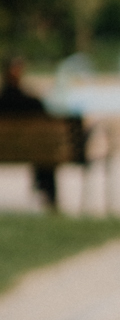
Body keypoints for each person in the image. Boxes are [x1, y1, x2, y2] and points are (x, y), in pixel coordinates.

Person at [0, 55, 59, 207]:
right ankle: (48, 197)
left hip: (4, 150)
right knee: (45, 149)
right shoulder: (32, 103)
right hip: (33, 152)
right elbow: (48, 126)